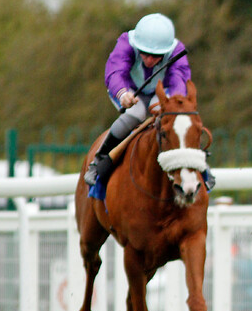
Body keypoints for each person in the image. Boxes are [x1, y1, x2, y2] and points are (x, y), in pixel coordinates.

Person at [84, 13, 211, 187]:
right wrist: (123, 94)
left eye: (157, 55)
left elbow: (179, 80)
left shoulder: (177, 50)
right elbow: (115, 73)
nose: (150, 60)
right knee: (136, 113)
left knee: (171, 117)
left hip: (160, 93)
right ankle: (98, 161)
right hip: (128, 89)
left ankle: (201, 167)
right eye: (145, 53)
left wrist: (172, 104)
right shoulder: (126, 43)